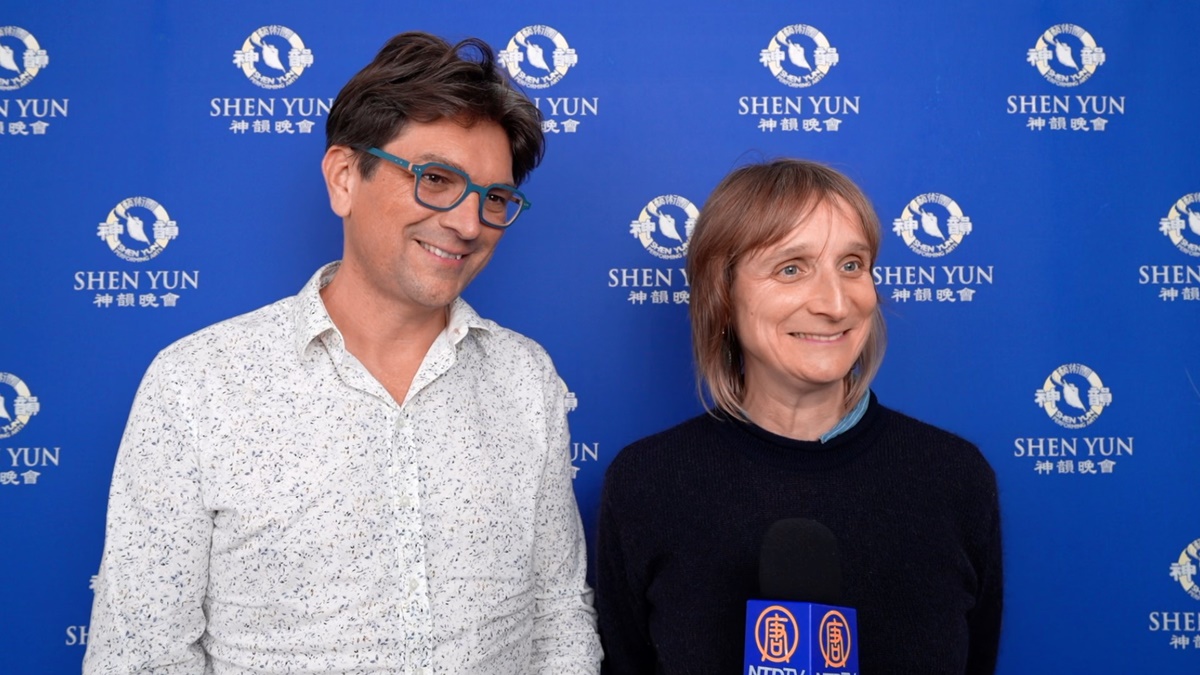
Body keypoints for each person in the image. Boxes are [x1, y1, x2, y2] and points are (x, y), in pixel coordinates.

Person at [84, 32, 601, 674]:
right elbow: (140, 655)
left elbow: (557, 616)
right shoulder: (198, 383)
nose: (469, 224)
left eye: (493, 197)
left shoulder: (525, 377)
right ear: (344, 178)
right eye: (436, 179)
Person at [596, 159, 1002, 673]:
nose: (836, 304)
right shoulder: (648, 482)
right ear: (723, 295)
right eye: (791, 268)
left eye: (852, 265)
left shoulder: (955, 478)